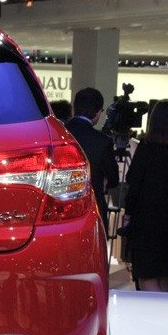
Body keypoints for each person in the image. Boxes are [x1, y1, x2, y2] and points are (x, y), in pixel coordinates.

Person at [123, 100, 168, 292]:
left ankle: (155, 311)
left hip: (146, 223)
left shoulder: (146, 149)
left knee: (146, 277)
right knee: (164, 278)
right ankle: (165, 309)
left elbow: (134, 184)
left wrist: (128, 214)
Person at [64, 87, 119, 237]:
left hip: (60, 211)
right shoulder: (103, 142)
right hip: (92, 210)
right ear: (98, 112)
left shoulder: (58, 134)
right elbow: (114, 179)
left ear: (74, 108)